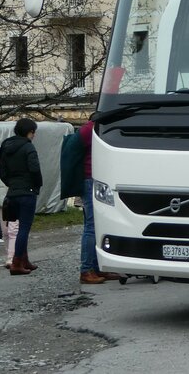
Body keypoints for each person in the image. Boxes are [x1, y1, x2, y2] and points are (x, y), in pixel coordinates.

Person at [77, 115, 118, 285]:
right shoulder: (90, 128)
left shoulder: (99, 128)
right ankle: (86, 269)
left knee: (100, 224)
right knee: (92, 226)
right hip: (90, 179)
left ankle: (98, 267)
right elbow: (75, 147)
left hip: (99, 179)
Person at [0, 118, 41, 276]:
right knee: (24, 228)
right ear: (28, 132)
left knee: (16, 226)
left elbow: (2, 171)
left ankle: (24, 259)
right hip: (27, 191)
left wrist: (11, 183)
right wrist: (36, 186)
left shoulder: (6, 146)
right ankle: (17, 262)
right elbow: (35, 169)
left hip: (12, 192)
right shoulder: (28, 147)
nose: (34, 135)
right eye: (33, 132)